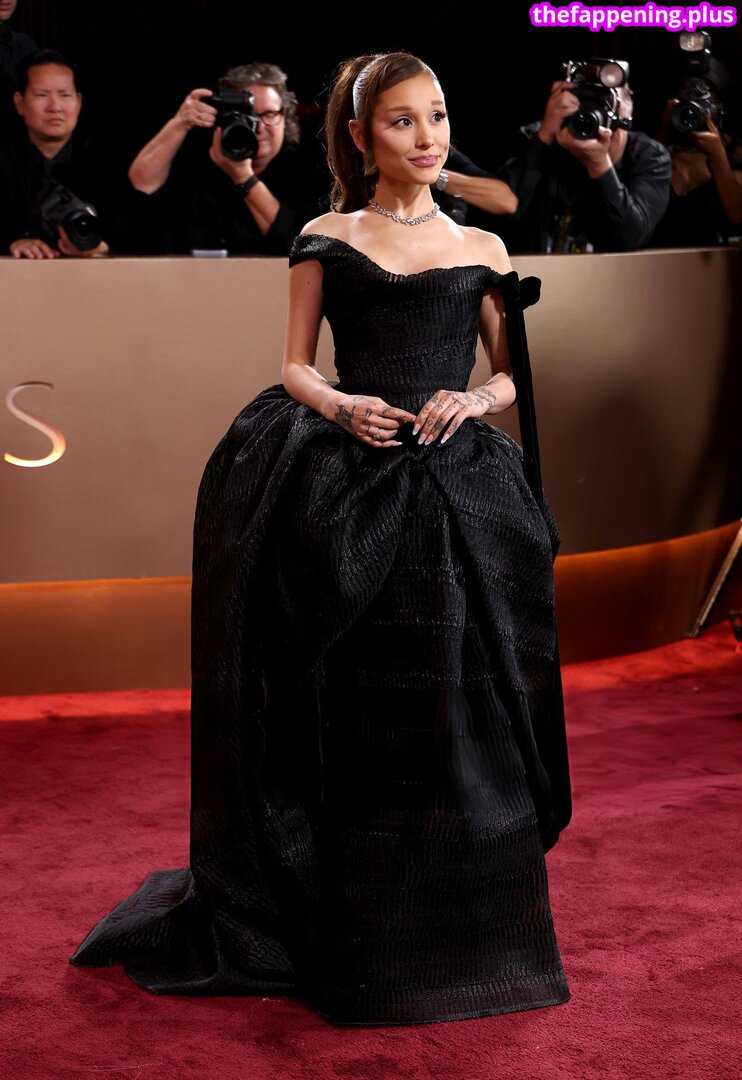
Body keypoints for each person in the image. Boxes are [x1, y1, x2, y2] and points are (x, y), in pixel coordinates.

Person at [69, 50, 573, 1027]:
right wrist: (342, 408)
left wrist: (473, 400)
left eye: (437, 116)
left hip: (457, 485)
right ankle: (350, 918)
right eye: (402, 121)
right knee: (354, 704)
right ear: (359, 135)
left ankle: (461, 917)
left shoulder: (481, 244)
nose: (426, 138)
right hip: (347, 479)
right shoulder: (324, 236)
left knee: (459, 701)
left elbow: (512, 373)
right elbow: (295, 366)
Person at [127, 61, 330, 255]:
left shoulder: (308, 173)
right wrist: (180, 123)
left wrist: (243, 176)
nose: (258, 126)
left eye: (269, 114)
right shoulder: (196, 160)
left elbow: (300, 247)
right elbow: (141, 184)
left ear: (285, 117)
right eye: (247, 115)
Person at [491, 76, 671, 253]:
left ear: (627, 120)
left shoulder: (649, 155)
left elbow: (629, 239)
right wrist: (544, 136)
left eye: (608, 121)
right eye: (584, 118)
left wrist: (599, 164)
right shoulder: (537, 138)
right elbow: (499, 218)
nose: (597, 130)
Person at [0, 49, 137, 257]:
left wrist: (99, 248)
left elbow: (137, 232)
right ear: (20, 103)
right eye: (42, 95)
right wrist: (11, 245)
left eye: (65, 95)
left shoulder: (106, 160)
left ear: (79, 102)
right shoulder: (4, 158)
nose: (55, 107)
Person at [646, 98, 742, 248]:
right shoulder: (655, 152)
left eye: (704, 106)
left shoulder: (732, 155)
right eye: (686, 105)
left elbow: (737, 217)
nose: (693, 113)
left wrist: (718, 156)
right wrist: (665, 131)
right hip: (652, 258)